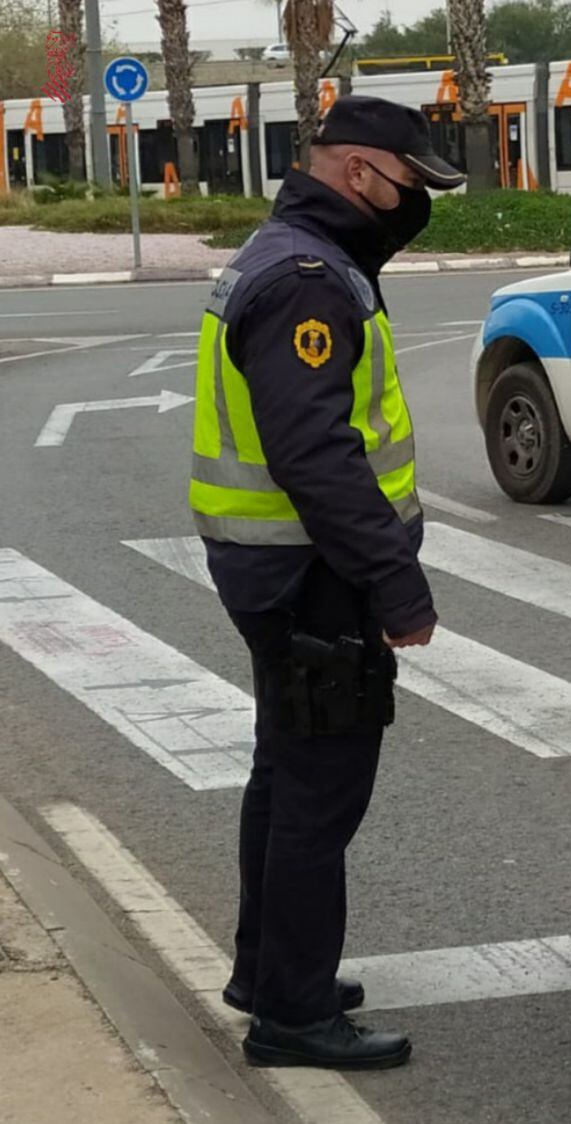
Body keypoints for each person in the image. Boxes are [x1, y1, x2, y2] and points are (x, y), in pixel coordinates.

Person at [188, 95, 465, 1070]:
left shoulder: (298, 253)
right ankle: (294, 1013)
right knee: (319, 794)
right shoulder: (308, 277)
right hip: (310, 572)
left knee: (284, 770)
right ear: (357, 171)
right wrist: (396, 584)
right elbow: (316, 453)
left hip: (281, 565)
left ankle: (270, 968)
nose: (414, 202)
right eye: (408, 183)